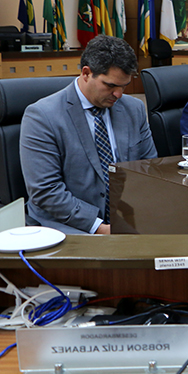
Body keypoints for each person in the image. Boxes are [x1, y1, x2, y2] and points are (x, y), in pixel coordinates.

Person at [20, 36, 157, 235]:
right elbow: (46, 191)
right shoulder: (42, 116)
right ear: (86, 73)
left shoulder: (133, 108)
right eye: (110, 85)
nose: (118, 94)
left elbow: (149, 168)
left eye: (124, 86)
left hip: (126, 217)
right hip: (68, 224)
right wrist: (100, 228)